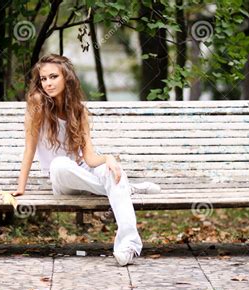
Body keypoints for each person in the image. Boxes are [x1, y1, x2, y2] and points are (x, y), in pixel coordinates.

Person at [12, 54, 160, 266]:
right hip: (62, 177)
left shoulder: (78, 110)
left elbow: (89, 158)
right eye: (43, 79)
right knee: (60, 164)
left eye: (53, 76)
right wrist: (21, 188)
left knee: (111, 173)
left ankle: (129, 245)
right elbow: (29, 148)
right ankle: (125, 187)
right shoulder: (37, 104)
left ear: (67, 78)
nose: (48, 83)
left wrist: (108, 158)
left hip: (83, 170)